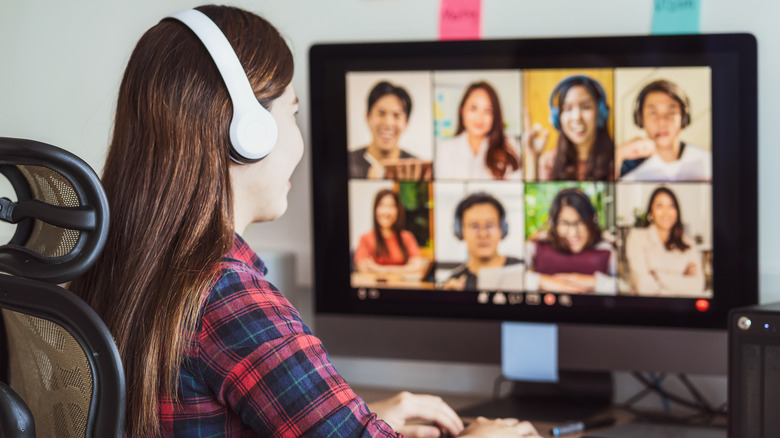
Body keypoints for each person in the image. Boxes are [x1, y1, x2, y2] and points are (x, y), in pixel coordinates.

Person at [67, 6, 539, 437]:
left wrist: (359, 418)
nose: (299, 141)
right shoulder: (229, 298)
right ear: (248, 134)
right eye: (292, 114)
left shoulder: (111, 260)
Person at [525, 188, 617, 294]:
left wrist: (595, 282)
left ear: (593, 220)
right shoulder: (537, 245)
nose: (573, 233)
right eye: (564, 223)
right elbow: (511, 275)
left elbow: (627, 286)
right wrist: (542, 281)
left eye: (581, 222)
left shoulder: (606, 249)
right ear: (553, 223)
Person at [524, 75, 614, 181]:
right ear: (557, 118)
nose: (576, 117)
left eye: (586, 107)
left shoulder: (617, 158)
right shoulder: (548, 163)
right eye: (567, 109)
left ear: (600, 113)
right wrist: (533, 158)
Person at [617, 79, 711, 181]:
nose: (662, 122)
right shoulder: (624, 166)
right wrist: (619, 153)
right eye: (653, 113)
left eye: (671, 112)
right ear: (640, 118)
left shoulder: (707, 161)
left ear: (684, 118)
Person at [624, 186, 706, 297]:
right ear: (651, 212)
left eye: (671, 206)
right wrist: (682, 278)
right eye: (659, 206)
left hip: (681, 310)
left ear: (677, 211)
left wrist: (657, 275)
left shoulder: (688, 242)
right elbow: (643, 287)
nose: (666, 212)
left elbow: (697, 286)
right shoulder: (637, 238)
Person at [435, 81, 521, 180]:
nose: (479, 118)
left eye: (487, 111)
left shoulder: (509, 145)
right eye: (473, 108)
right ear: (462, 110)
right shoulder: (446, 148)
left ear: (495, 115)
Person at [349, 81, 432, 181]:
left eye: (397, 115)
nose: (388, 123)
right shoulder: (348, 161)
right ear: (368, 117)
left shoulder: (418, 168)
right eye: (381, 113)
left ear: (406, 123)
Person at [442, 192, 523, 291]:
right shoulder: (453, 282)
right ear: (460, 230)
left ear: (502, 228)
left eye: (490, 225)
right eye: (474, 226)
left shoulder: (523, 269)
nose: (483, 234)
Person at [354, 189, 429, 278]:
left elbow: (418, 267)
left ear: (398, 210)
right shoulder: (365, 238)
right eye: (382, 205)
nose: (386, 212)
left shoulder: (407, 237)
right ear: (375, 209)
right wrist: (404, 269)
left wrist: (381, 269)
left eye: (391, 206)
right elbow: (362, 269)